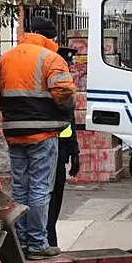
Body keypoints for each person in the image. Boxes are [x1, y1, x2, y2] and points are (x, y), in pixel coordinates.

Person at [0, 16, 76, 260]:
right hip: (43, 133)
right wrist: (65, 110)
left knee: (19, 187)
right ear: (49, 38)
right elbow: (65, 93)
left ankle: (22, 241)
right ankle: (37, 245)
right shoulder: (51, 59)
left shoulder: (5, 59)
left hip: (14, 132)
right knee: (39, 188)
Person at [47, 46, 81, 249]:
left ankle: (50, 235)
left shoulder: (65, 83)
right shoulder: (53, 82)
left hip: (60, 151)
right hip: (48, 148)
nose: (69, 68)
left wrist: (74, 151)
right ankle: (46, 237)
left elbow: (69, 121)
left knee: (55, 196)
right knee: (46, 196)